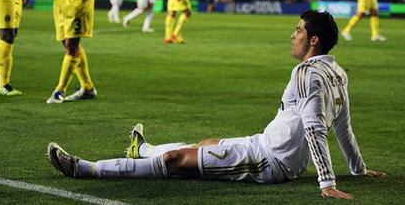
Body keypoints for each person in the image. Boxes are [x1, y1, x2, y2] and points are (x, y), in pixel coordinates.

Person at [47, 10, 386, 200]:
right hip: (263, 144)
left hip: (267, 162)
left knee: (176, 161)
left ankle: (85, 168)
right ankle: (142, 148)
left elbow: (315, 129)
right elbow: (343, 125)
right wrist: (357, 169)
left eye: (298, 31)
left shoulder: (307, 73)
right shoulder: (336, 72)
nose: (292, 35)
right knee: (207, 143)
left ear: (313, 40)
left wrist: (328, 184)